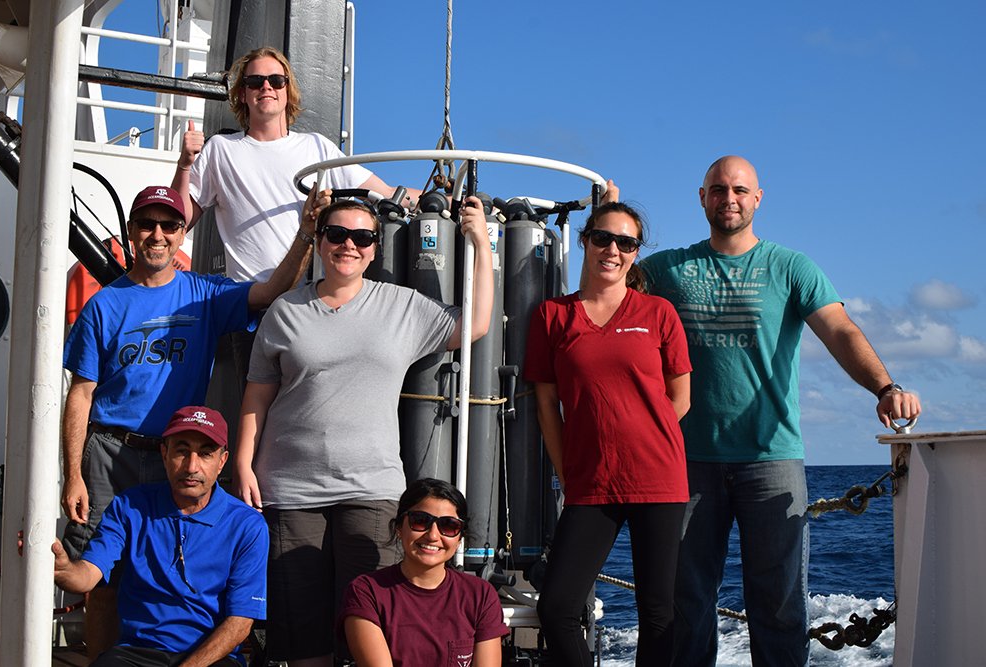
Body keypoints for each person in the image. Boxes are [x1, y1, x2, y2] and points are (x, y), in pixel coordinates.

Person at [638, 155, 922, 666]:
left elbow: (841, 332)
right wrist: (605, 213)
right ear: (701, 197)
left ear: (758, 198)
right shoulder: (666, 269)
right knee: (686, 602)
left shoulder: (792, 267)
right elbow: (606, 287)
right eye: (719, 189)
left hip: (772, 460)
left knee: (781, 604)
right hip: (686, 459)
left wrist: (884, 386)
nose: (730, 198)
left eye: (740, 190)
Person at [233, 193, 494, 666]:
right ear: (318, 240)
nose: (348, 245)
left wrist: (480, 243)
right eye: (336, 234)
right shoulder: (285, 311)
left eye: (362, 237)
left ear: (374, 248)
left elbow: (475, 324)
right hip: (289, 490)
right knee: (303, 632)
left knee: (370, 631)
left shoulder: (402, 307)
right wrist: (242, 464)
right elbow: (257, 396)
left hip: (372, 489)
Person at [60, 184, 315, 658]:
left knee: (171, 576)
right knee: (103, 585)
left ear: (182, 234)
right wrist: (72, 474)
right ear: (132, 232)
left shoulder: (204, 294)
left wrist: (304, 235)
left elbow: (272, 291)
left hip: (177, 455)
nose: (157, 235)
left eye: (170, 225)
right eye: (147, 224)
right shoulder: (104, 304)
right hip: (109, 453)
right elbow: (81, 393)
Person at [171, 46, 420, 386]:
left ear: (288, 90)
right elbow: (179, 222)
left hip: (310, 305)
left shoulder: (316, 149)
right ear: (242, 94)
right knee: (257, 417)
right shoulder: (221, 151)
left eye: (276, 80)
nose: (266, 87)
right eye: (256, 81)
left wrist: (444, 198)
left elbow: (388, 194)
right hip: (253, 309)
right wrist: (185, 165)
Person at [523, 201, 692, 666]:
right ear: (585, 241)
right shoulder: (552, 317)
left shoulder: (658, 313)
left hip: (659, 480)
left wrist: (642, 438)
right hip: (590, 484)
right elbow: (545, 405)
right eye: (603, 238)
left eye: (626, 242)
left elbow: (681, 398)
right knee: (557, 607)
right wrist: (567, 469)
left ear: (636, 252)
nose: (612, 250)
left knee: (658, 612)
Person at [46, 406, 267, 667]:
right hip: (136, 653)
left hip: (211, 658)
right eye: (182, 451)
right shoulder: (130, 506)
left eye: (205, 453)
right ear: (164, 453)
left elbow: (240, 622)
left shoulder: (247, 525)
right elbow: (89, 573)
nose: (192, 466)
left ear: (222, 461)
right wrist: (63, 570)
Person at [339, 478, 509, 667]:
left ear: (460, 537)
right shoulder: (366, 592)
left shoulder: (481, 595)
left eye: (449, 526)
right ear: (398, 528)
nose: (433, 535)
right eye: (420, 521)